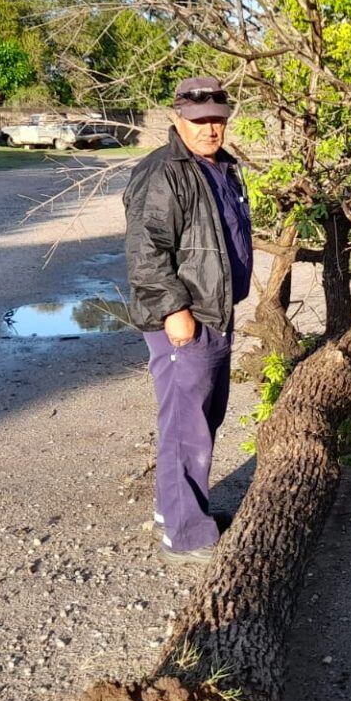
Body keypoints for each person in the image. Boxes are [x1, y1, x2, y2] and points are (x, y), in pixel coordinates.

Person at [124, 75, 254, 565]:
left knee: (200, 418)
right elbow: (145, 252)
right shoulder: (163, 172)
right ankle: (185, 533)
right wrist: (174, 310)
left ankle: (172, 508)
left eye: (217, 120)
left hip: (215, 312)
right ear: (178, 119)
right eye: (199, 121)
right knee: (187, 426)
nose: (209, 130)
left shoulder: (221, 167)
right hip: (187, 318)